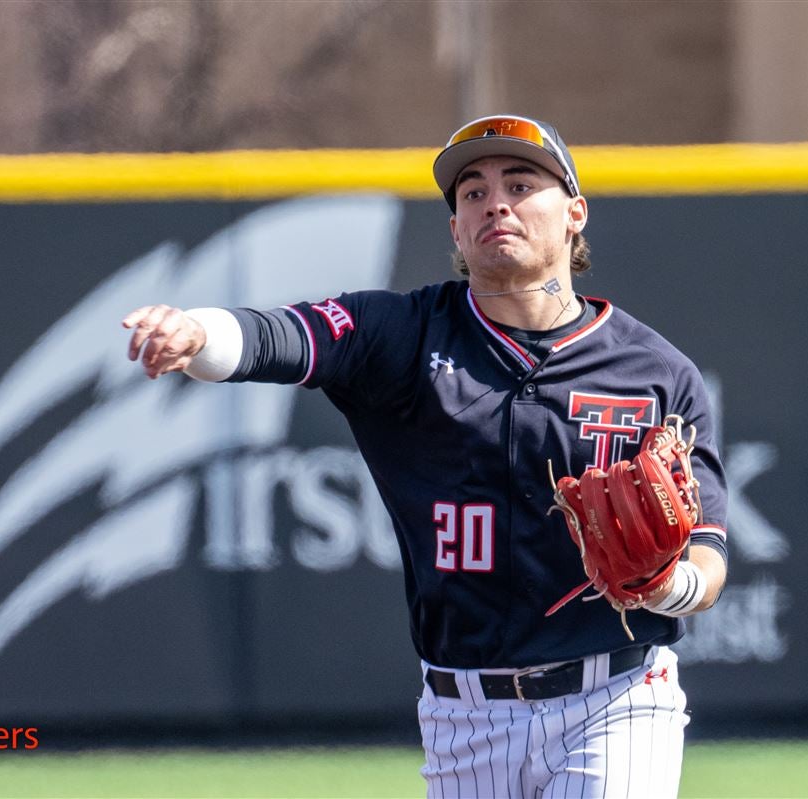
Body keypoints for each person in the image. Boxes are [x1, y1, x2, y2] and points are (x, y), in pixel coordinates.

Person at [122, 114, 728, 799]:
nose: (494, 201)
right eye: (472, 192)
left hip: (618, 696)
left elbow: (708, 558)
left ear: (574, 215)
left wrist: (666, 585)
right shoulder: (404, 337)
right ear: (456, 232)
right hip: (460, 716)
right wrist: (198, 331)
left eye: (521, 182)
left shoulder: (655, 373)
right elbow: (283, 336)